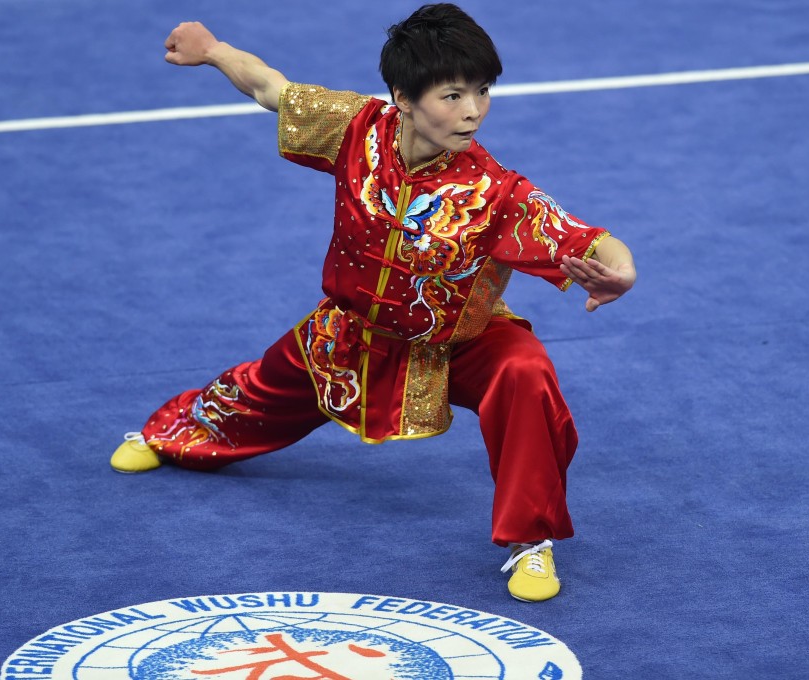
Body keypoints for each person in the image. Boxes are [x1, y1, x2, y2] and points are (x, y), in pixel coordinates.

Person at [111, 3, 636, 603]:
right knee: (251, 395)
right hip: (351, 335)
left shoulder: (497, 192)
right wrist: (212, 50)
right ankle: (169, 436)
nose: (473, 111)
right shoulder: (356, 127)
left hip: (460, 342)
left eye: (484, 91)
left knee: (525, 372)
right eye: (453, 94)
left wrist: (621, 271)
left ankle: (532, 543)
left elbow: (587, 236)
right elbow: (270, 89)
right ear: (403, 98)